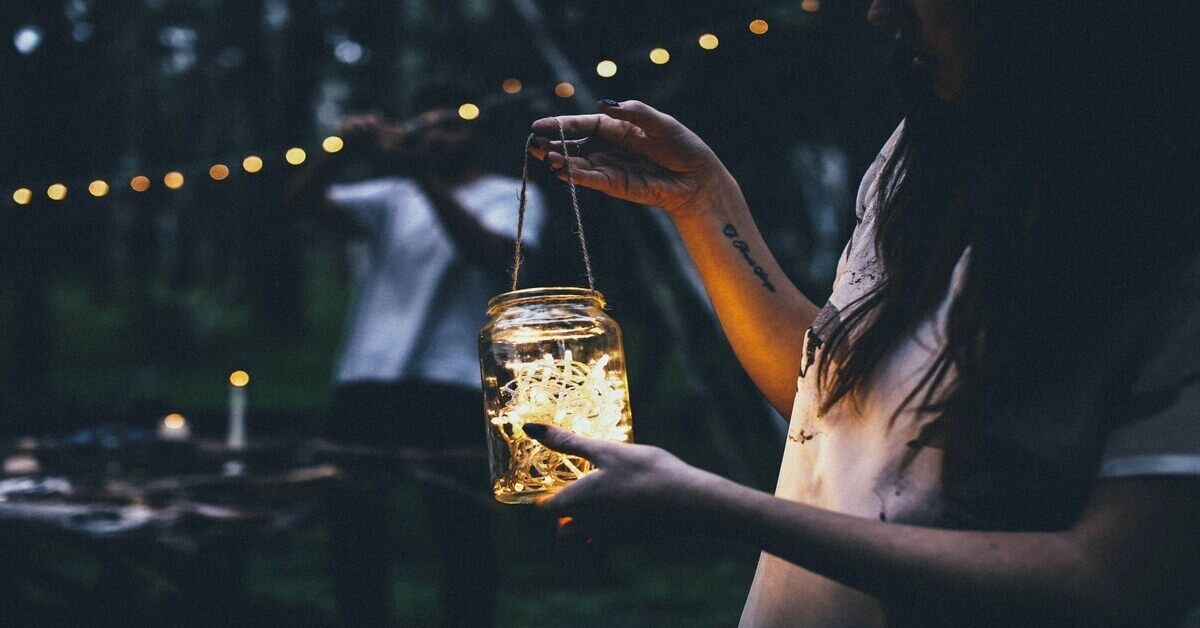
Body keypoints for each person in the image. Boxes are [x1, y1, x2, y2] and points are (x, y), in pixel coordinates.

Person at [521, 1, 1200, 625]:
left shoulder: (1165, 229)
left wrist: (720, 508)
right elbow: (835, 405)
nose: (880, 12)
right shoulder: (923, 149)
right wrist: (703, 203)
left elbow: (1118, 581)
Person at [285, 84, 546, 626]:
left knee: (459, 528)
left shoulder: (510, 193)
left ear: (477, 134)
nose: (435, 137)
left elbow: (490, 254)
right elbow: (297, 208)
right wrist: (338, 150)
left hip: (454, 379)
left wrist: (416, 173)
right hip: (369, 374)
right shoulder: (392, 196)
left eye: (450, 125)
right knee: (352, 523)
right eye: (425, 127)